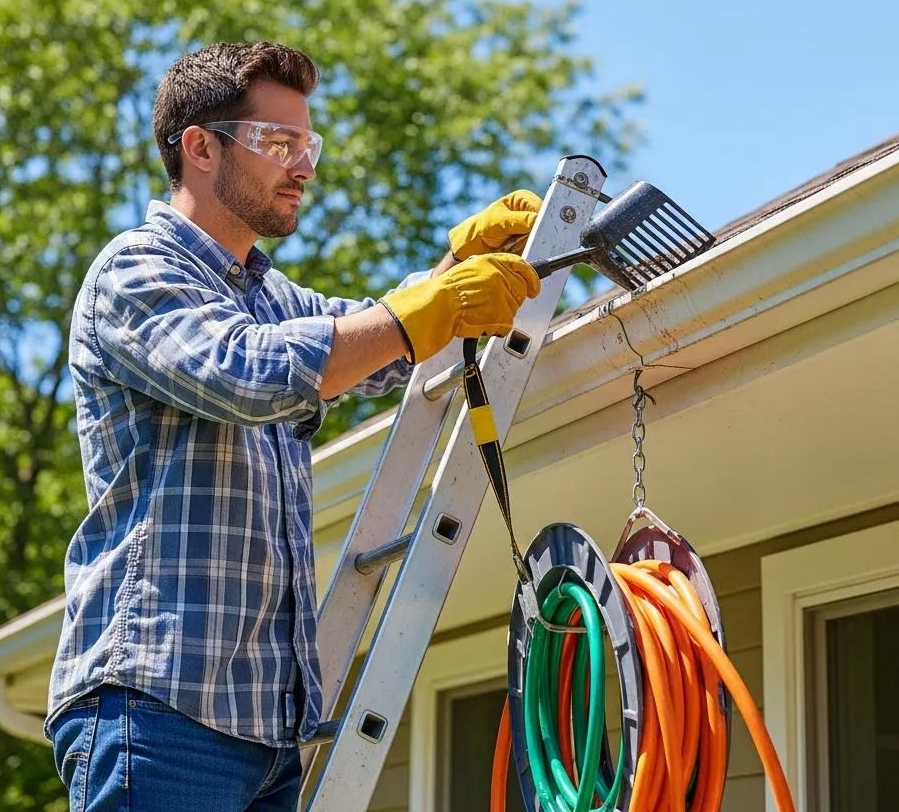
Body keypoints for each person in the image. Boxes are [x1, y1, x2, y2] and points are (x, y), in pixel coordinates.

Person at [44, 41, 542, 811]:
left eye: (307, 143)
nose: (303, 165)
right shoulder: (135, 271)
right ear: (200, 148)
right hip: (158, 707)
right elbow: (248, 371)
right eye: (279, 144)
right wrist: (425, 311)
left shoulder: (275, 297)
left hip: (270, 733)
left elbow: (371, 347)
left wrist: (453, 271)